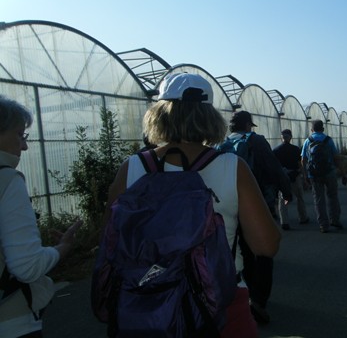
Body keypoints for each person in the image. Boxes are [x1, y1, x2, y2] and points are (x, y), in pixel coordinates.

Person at [104, 74, 281, 338]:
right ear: (209, 115)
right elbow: (266, 246)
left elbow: (110, 241)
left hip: (148, 303)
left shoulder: (132, 168)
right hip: (220, 300)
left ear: (160, 113)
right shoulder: (232, 167)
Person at [0, 95, 82, 338]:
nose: (24, 146)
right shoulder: (7, 180)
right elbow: (27, 266)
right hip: (11, 320)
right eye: (19, 135)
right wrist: (62, 248)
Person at [222, 110, 292, 324]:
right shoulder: (256, 141)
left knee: (243, 248)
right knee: (263, 250)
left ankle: (249, 294)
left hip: (232, 204)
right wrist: (286, 190)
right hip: (258, 202)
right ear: (247, 125)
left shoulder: (222, 144)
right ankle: (259, 300)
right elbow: (272, 166)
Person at [301, 120, 347, 233]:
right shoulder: (328, 140)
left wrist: (305, 175)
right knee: (332, 196)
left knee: (318, 199)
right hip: (329, 172)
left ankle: (323, 225)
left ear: (312, 129)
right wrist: (343, 173)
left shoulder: (308, 141)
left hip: (314, 175)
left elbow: (303, 160)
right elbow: (336, 158)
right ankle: (335, 220)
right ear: (323, 128)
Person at [272, 129, 309, 230]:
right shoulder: (296, 149)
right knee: (299, 197)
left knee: (283, 199)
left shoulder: (276, 150)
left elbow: (274, 166)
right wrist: (304, 178)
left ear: (281, 137)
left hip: (283, 178)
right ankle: (303, 217)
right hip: (295, 176)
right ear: (290, 137)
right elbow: (300, 164)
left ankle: (284, 222)